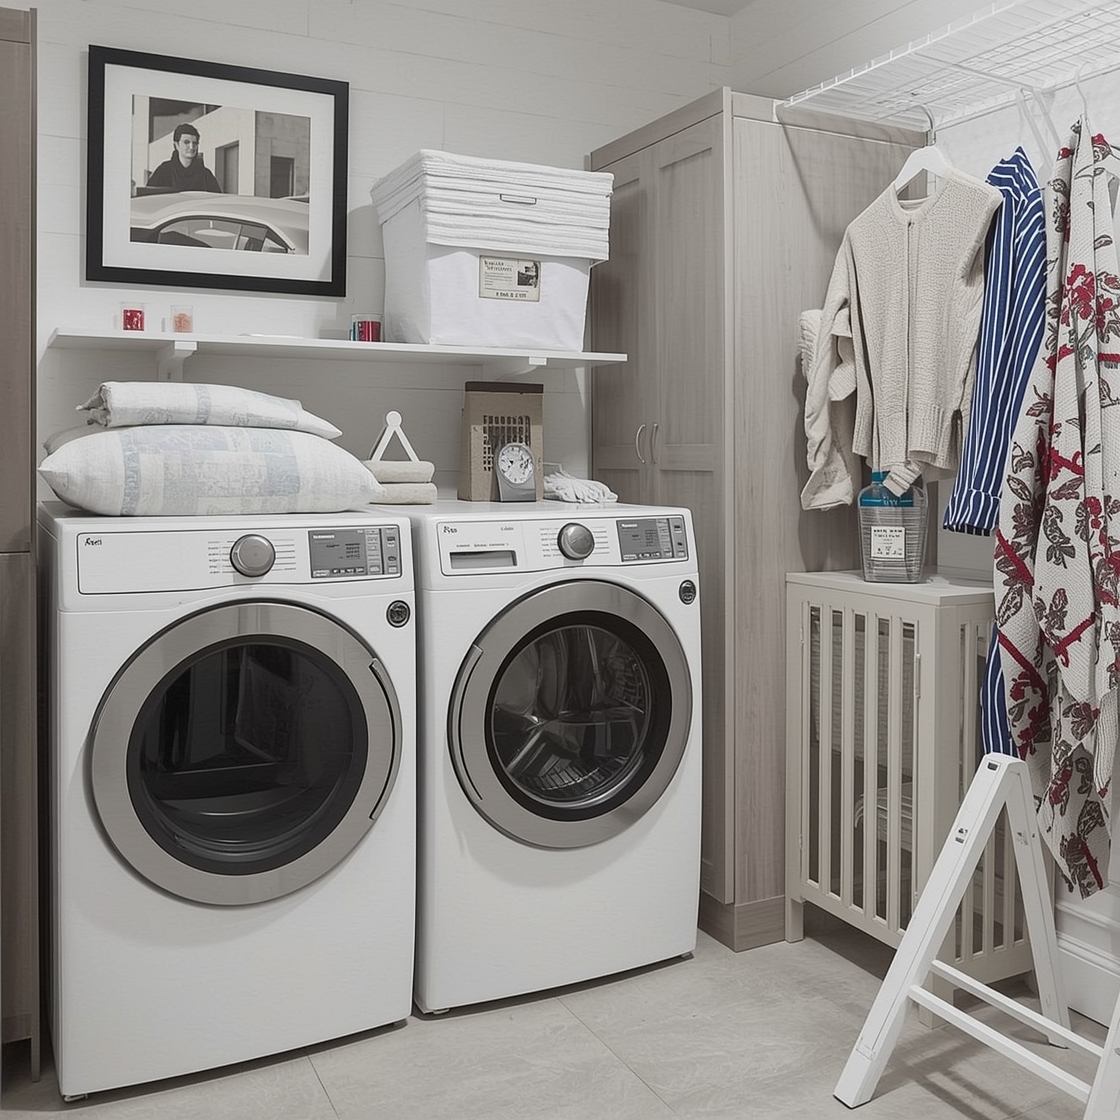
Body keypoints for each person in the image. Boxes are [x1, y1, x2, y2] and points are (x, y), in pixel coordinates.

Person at [146, 122, 221, 192]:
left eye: (195, 143)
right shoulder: (163, 172)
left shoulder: (206, 175)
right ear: (176, 145)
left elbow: (217, 199)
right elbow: (148, 198)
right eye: (186, 142)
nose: (191, 147)